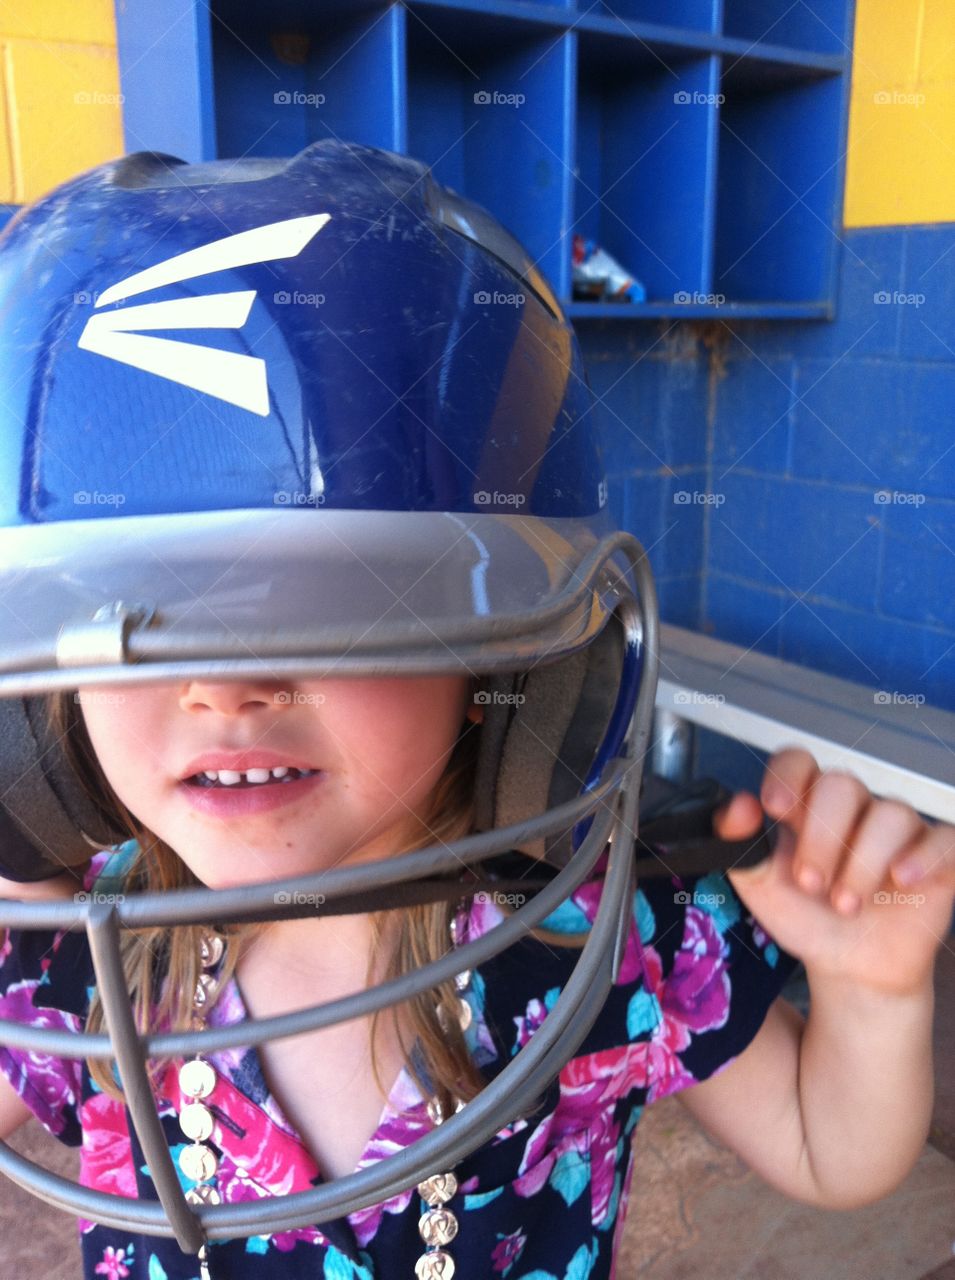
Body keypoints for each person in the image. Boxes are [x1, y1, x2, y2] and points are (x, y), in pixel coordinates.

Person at [0, 140, 951, 1280]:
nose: (220, 687)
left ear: (506, 666)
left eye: (331, 613)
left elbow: (825, 1147)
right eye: (130, 624)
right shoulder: (87, 953)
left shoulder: (602, 934)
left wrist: (871, 987)